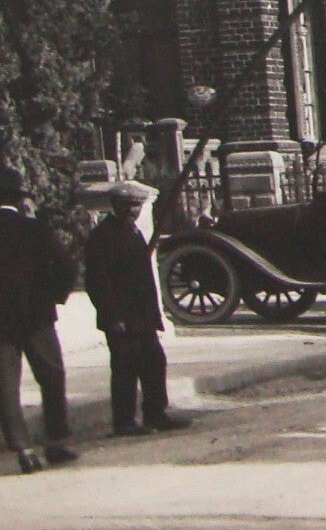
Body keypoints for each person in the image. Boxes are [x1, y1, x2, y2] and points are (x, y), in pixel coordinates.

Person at [83, 180, 192, 437]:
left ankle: (156, 412)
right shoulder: (103, 236)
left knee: (154, 362)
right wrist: (113, 317)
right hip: (122, 317)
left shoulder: (133, 232)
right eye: (130, 206)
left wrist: (155, 315)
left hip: (142, 316)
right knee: (125, 369)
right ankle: (124, 420)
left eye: (138, 206)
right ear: (117, 206)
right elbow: (98, 282)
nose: (134, 211)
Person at [0, 165, 79, 473]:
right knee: (52, 376)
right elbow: (66, 265)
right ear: (18, 199)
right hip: (37, 317)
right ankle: (57, 442)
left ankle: (23, 450)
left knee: (6, 387)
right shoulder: (33, 228)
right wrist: (53, 296)